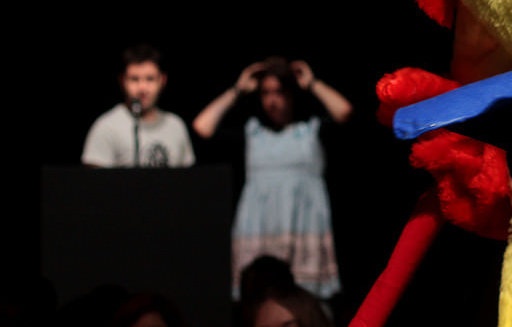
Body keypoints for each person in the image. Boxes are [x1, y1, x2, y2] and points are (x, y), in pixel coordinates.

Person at [193, 56, 352, 301]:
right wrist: (237, 90)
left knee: (306, 302)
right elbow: (203, 127)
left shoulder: (310, 129)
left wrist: (312, 84)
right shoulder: (253, 132)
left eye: (279, 92)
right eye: (266, 93)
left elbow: (344, 112)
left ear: (292, 94)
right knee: (260, 298)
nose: (272, 100)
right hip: (261, 231)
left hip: (303, 229)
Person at [82, 43, 195, 168]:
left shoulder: (176, 126)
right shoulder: (106, 127)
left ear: (162, 80)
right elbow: (94, 179)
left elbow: (189, 177)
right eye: (134, 79)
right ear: (122, 81)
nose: (142, 88)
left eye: (150, 79)